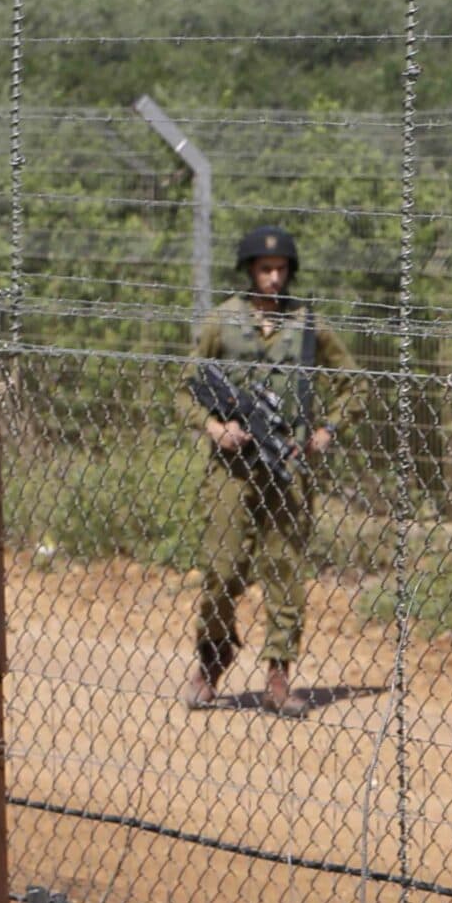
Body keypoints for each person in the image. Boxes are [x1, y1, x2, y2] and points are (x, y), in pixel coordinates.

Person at [186, 224, 350, 717]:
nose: (274, 279)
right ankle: (215, 654)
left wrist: (325, 432)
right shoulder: (222, 322)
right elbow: (185, 386)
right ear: (250, 271)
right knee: (221, 569)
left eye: (280, 270)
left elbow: (354, 385)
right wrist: (215, 429)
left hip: (287, 468)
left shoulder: (308, 326)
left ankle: (279, 671)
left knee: (284, 571)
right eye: (265, 269)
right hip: (232, 470)